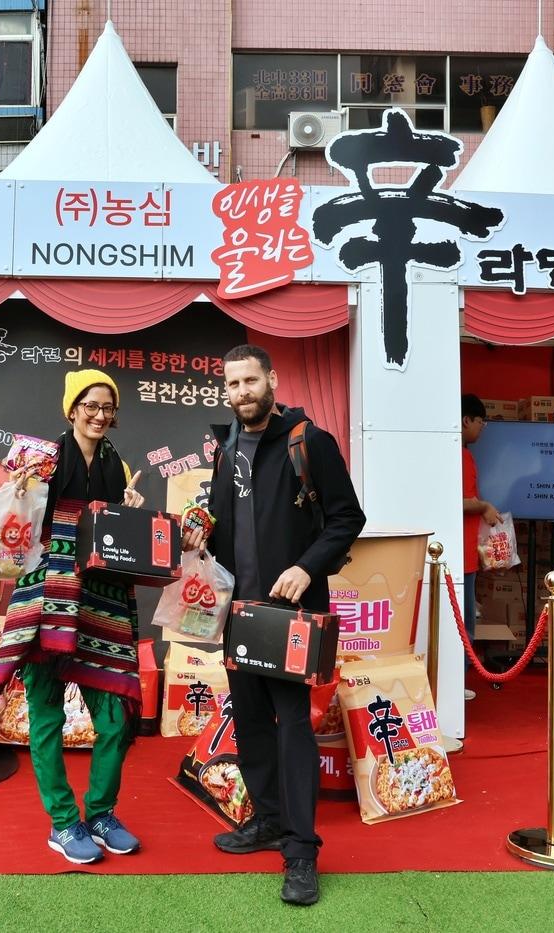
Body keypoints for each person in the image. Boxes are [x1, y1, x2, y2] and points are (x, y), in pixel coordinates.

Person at [182, 344, 364, 907]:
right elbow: (225, 519)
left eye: (251, 381)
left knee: (293, 725)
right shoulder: (226, 447)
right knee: (252, 720)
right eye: (233, 384)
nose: (242, 392)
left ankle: (302, 851)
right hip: (238, 612)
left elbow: (347, 518)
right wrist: (201, 528)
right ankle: (267, 820)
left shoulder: (308, 441)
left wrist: (306, 567)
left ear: (272, 380)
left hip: (291, 615)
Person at [0, 370, 146, 866]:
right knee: (47, 717)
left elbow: (116, 540)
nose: (99, 415)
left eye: (107, 408)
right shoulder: (44, 459)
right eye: (90, 405)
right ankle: (62, 822)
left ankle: (101, 813)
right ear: (72, 409)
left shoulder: (120, 468)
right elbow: (18, 525)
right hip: (45, 598)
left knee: (114, 718)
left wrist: (130, 510)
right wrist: (19, 491)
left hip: (101, 602)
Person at [461, 395, 502, 665]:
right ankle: (460, 677)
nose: (482, 428)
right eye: (481, 422)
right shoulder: (462, 456)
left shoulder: (462, 454)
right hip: (463, 556)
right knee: (464, 625)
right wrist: (485, 506)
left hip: (465, 552)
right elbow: (460, 501)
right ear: (466, 420)